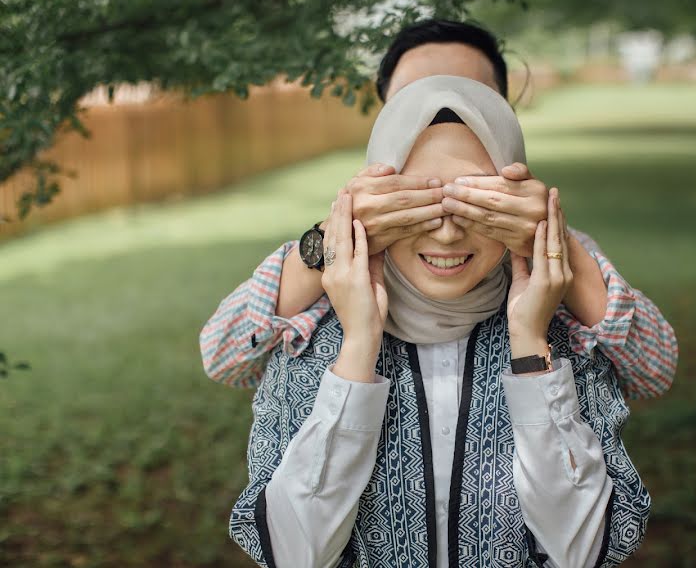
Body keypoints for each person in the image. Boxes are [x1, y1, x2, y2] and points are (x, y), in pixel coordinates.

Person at [229, 75, 650, 568]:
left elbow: (582, 551)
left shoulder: (565, 335)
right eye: (418, 204)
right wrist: (359, 346)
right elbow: (294, 554)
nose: (448, 232)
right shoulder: (314, 336)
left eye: (477, 203)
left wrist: (531, 347)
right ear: (375, 206)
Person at [199, 19, 678, 401]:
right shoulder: (336, 265)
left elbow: (655, 373)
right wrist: (334, 237)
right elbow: (224, 357)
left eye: (471, 99)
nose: (444, 108)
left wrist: (551, 240)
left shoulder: (558, 265)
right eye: (417, 99)